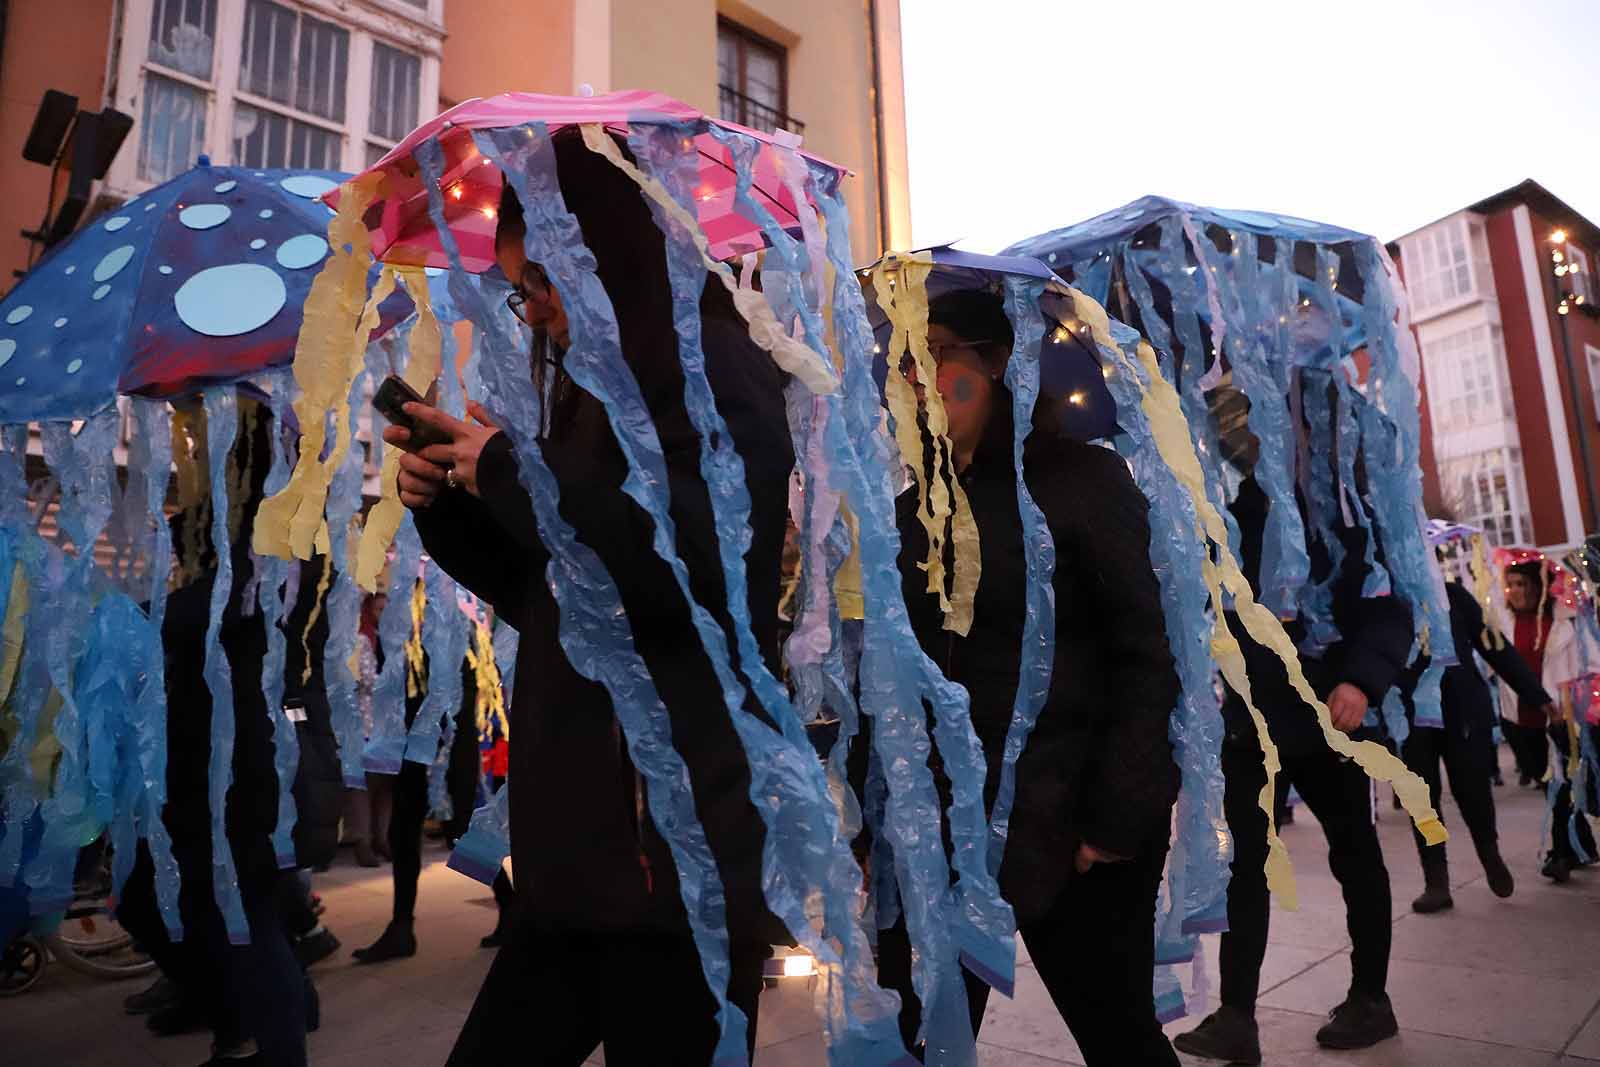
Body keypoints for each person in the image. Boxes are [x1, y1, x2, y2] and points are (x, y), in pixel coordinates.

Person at [384, 130, 793, 1065]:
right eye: (521, 291)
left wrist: (514, 480)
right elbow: (562, 597)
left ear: (607, 257)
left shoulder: (717, 372)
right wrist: (453, 508)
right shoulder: (589, 396)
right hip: (577, 859)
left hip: (671, 864)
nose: (533, 312)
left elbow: (692, 573)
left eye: (548, 283)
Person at [878, 288, 1182, 1065]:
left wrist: (1116, 822)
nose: (920, 373)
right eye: (908, 357)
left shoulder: (1081, 482)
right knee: (920, 1036)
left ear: (999, 362)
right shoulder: (918, 507)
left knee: (1117, 1033)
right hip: (951, 832)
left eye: (940, 351)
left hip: (1076, 830)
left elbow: (1149, 653)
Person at [1177, 416, 1413, 1063]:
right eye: (1230, 429)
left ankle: (1371, 995)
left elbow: (1389, 607)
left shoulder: (1340, 511)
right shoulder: (1226, 516)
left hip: (1328, 716)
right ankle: (1236, 1013)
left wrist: (1362, 682)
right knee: (1243, 867)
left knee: (1354, 851)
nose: (1240, 440)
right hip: (1249, 719)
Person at [116, 394, 314, 1067]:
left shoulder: (269, 521)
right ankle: (243, 1029)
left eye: (202, 426)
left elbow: (230, 614)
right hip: (208, 739)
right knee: (204, 897)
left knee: (248, 903)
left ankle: (276, 1045)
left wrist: (144, 616)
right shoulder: (220, 522)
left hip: (242, 746)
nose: (190, 440)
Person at [1401, 579, 1546, 912]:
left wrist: (1535, 694)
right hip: (1411, 714)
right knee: (1420, 798)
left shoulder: (1451, 594)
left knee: (1473, 787)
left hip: (1461, 708)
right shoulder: (1384, 596)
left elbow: (1494, 646)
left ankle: (1489, 854)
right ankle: (1435, 880)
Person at [1499, 560, 1600, 883]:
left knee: (1559, 784)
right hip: (1519, 718)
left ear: (1537, 587)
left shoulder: (1563, 623)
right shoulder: (1501, 622)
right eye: (1511, 584)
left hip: (1559, 718)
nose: (1516, 591)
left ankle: (1561, 854)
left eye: (1522, 584)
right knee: (1550, 785)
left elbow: (1583, 665)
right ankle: (1581, 843)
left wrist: (1567, 706)